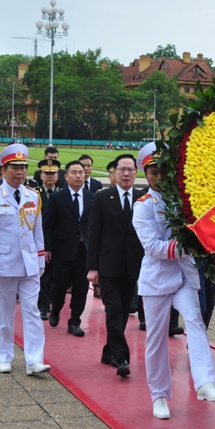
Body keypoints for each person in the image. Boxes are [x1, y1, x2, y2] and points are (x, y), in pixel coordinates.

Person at [132, 142, 215, 420]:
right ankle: (159, 395)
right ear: (145, 174)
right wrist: (191, 245)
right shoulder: (143, 207)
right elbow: (153, 247)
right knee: (156, 338)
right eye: (154, 172)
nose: (160, 176)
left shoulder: (184, 200)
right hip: (157, 279)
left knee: (195, 321)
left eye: (164, 170)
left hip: (184, 275)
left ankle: (204, 382)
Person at [0, 144, 50, 375]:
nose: (20, 172)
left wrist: (40, 261)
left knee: (32, 312)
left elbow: (38, 232)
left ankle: (34, 360)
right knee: (4, 313)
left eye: (23, 168)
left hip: (29, 264)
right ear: (3, 170)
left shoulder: (34, 196)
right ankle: (5, 356)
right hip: (4, 264)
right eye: (15, 168)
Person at [87, 154, 145, 378]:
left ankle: (108, 351)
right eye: (122, 169)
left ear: (136, 173)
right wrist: (92, 267)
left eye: (131, 169)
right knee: (113, 311)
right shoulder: (103, 197)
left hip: (132, 266)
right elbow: (94, 234)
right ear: (115, 173)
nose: (127, 174)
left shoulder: (143, 198)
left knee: (121, 313)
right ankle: (122, 358)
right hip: (108, 265)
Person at [43, 160, 95, 337]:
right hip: (62, 249)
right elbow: (48, 224)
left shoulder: (91, 197)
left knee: (81, 287)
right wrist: (47, 248)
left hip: (84, 250)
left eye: (81, 172)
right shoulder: (58, 197)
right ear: (66, 176)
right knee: (59, 285)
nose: (79, 175)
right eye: (74, 172)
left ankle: (74, 322)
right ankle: (56, 308)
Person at [36, 157, 62, 320]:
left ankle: (53, 302)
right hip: (40, 241)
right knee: (43, 276)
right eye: (47, 173)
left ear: (58, 176)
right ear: (41, 175)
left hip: (59, 242)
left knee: (56, 276)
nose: (50, 177)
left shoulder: (61, 195)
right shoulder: (34, 194)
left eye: (53, 174)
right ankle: (43, 306)